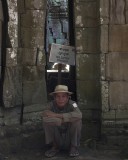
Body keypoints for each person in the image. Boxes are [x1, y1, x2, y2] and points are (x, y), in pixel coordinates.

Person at [42, 85, 82, 158]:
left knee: (77, 121)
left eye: (63, 96)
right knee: (46, 121)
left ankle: (73, 147)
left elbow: (79, 115)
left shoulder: (73, 103)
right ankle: (54, 147)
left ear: (68, 97)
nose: (61, 99)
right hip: (57, 135)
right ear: (54, 97)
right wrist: (63, 121)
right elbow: (45, 114)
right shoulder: (51, 104)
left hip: (70, 135)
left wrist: (57, 116)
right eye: (58, 96)